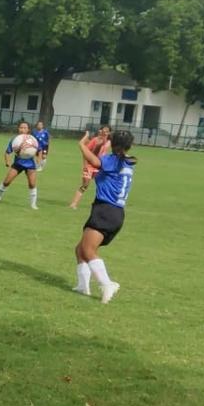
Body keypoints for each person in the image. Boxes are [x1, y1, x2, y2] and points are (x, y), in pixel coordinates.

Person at [74, 130, 136, 304]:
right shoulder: (129, 161)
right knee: (80, 250)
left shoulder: (112, 160)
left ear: (112, 142)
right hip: (115, 213)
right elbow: (100, 162)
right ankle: (82, 286)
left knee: (88, 250)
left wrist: (81, 145)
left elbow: (94, 161)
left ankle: (107, 284)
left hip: (105, 210)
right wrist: (101, 145)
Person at [0, 120, 42, 209]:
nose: (22, 129)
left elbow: (39, 150)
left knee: (32, 184)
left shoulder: (32, 139)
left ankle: (33, 204)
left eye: (25, 128)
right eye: (21, 127)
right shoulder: (15, 139)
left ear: (28, 130)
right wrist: (7, 161)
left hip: (30, 165)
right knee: (6, 182)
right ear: (18, 129)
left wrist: (39, 160)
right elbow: (7, 152)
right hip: (18, 164)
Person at [69, 125, 111, 209]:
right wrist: (85, 165)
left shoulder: (109, 142)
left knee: (104, 184)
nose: (105, 133)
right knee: (85, 185)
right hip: (90, 165)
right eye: (104, 131)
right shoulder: (95, 140)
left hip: (100, 166)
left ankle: (103, 205)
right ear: (100, 131)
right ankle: (74, 203)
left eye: (107, 131)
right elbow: (85, 152)